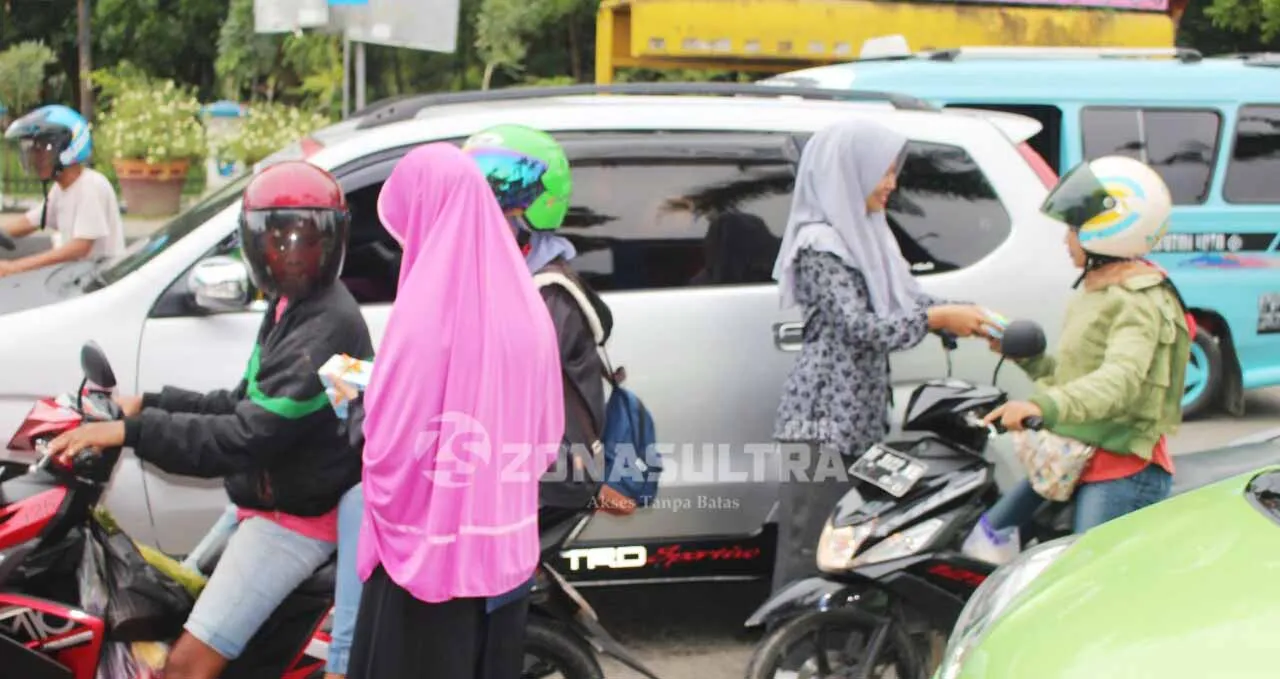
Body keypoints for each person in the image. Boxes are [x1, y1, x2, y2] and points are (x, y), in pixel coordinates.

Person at [47, 160, 374, 679]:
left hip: (296, 521)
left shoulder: (327, 324)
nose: (290, 254)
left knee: (184, 666)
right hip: (269, 500)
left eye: (306, 241)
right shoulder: (292, 308)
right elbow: (242, 403)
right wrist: (148, 402)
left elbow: (246, 436)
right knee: (168, 610)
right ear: (255, 245)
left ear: (331, 244)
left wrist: (130, 432)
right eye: (277, 240)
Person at [322, 124, 595, 679]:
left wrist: (353, 402)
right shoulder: (527, 306)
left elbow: (390, 448)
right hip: (502, 553)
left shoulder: (426, 316)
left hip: (427, 567)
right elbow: (543, 436)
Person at [768, 117, 999, 594]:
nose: (892, 183)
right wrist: (936, 319)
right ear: (848, 173)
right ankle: (792, 641)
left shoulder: (868, 236)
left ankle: (844, 637)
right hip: (821, 423)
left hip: (860, 420)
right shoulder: (820, 245)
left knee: (850, 544)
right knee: (808, 550)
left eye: (895, 171)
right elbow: (861, 327)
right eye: (883, 171)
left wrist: (970, 316)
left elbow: (904, 301)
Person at [966, 155, 1190, 556]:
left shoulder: (1137, 300)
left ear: (1111, 228)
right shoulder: (1099, 290)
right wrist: (1029, 359)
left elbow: (1118, 382)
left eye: (1073, 229)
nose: (1066, 241)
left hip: (1121, 467)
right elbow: (1077, 379)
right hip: (1074, 456)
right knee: (987, 539)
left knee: (1085, 576)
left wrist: (1041, 405)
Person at [0, 104, 125, 276]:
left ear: (69, 149)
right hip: (80, 279)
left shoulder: (91, 186)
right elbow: (30, 221)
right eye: (34, 149)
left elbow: (79, 248)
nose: (35, 157)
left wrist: (14, 267)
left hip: (101, 282)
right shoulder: (61, 189)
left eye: (44, 148)